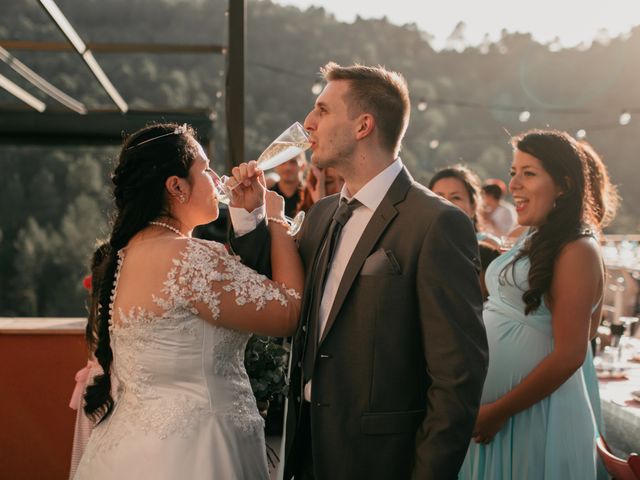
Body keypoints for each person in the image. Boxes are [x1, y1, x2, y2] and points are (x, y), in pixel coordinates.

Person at [229, 62, 488, 479]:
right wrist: (249, 217)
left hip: (381, 461)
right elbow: (277, 290)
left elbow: (457, 377)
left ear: (363, 125)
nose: (309, 124)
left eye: (323, 110)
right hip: (306, 448)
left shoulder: (436, 223)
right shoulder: (322, 215)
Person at [73, 123, 303, 480]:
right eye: (207, 168)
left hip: (127, 450)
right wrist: (275, 218)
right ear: (176, 186)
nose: (218, 177)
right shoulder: (190, 258)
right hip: (200, 453)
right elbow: (289, 310)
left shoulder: (120, 257)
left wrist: (247, 218)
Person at [459, 129, 605, 480]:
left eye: (529, 173)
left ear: (565, 185)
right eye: (513, 172)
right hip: (499, 415)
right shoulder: (533, 237)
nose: (514, 185)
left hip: (534, 416)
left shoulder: (578, 249)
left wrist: (498, 411)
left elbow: (571, 353)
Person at [428, 165, 501, 300]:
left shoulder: (488, 247)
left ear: (473, 206)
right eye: (439, 197)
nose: (446, 203)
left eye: (456, 198)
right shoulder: (419, 245)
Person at [270, 151, 307, 218]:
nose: (287, 168)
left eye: (293, 162)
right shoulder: (267, 197)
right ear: (275, 165)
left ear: (303, 166)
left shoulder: (311, 196)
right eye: (282, 162)